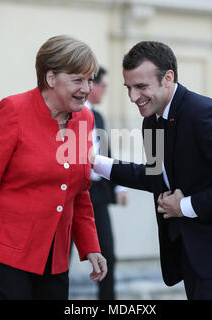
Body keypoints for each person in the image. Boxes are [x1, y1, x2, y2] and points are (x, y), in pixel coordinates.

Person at [92, 41, 212, 300]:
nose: (133, 97)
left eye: (141, 87)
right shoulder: (150, 121)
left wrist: (185, 206)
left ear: (168, 78)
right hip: (194, 247)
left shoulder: (203, 112)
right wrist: (95, 162)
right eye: (128, 88)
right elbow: (155, 175)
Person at [0, 35, 107, 300]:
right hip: (2, 255)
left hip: (55, 258)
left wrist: (91, 246)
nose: (87, 88)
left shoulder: (85, 118)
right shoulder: (12, 111)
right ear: (51, 78)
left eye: (90, 79)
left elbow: (78, 191)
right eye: (78, 80)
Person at [85, 67, 128, 300]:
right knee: (60, 256)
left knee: (107, 252)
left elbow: (105, 152)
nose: (105, 90)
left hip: (97, 193)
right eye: (104, 85)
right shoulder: (67, 114)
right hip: (71, 194)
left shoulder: (98, 116)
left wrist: (118, 185)